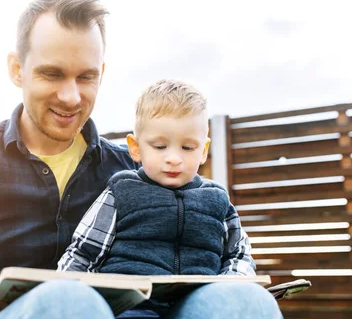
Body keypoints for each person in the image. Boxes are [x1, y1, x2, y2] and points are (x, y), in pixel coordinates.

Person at [0, 0, 284, 319]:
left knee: (245, 303)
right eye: (52, 74)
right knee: (69, 301)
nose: (71, 96)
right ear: (16, 69)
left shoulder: (141, 171)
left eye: (86, 77)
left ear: (102, 74)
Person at [58, 79, 257, 277]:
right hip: (134, 295)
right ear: (135, 148)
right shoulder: (121, 191)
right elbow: (84, 253)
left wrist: (230, 285)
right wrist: (66, 289)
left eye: (187, 147)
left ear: (203, 150)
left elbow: (239, 255)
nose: (173, 159)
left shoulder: (217, 199)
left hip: (199, 298)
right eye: (160, 147)